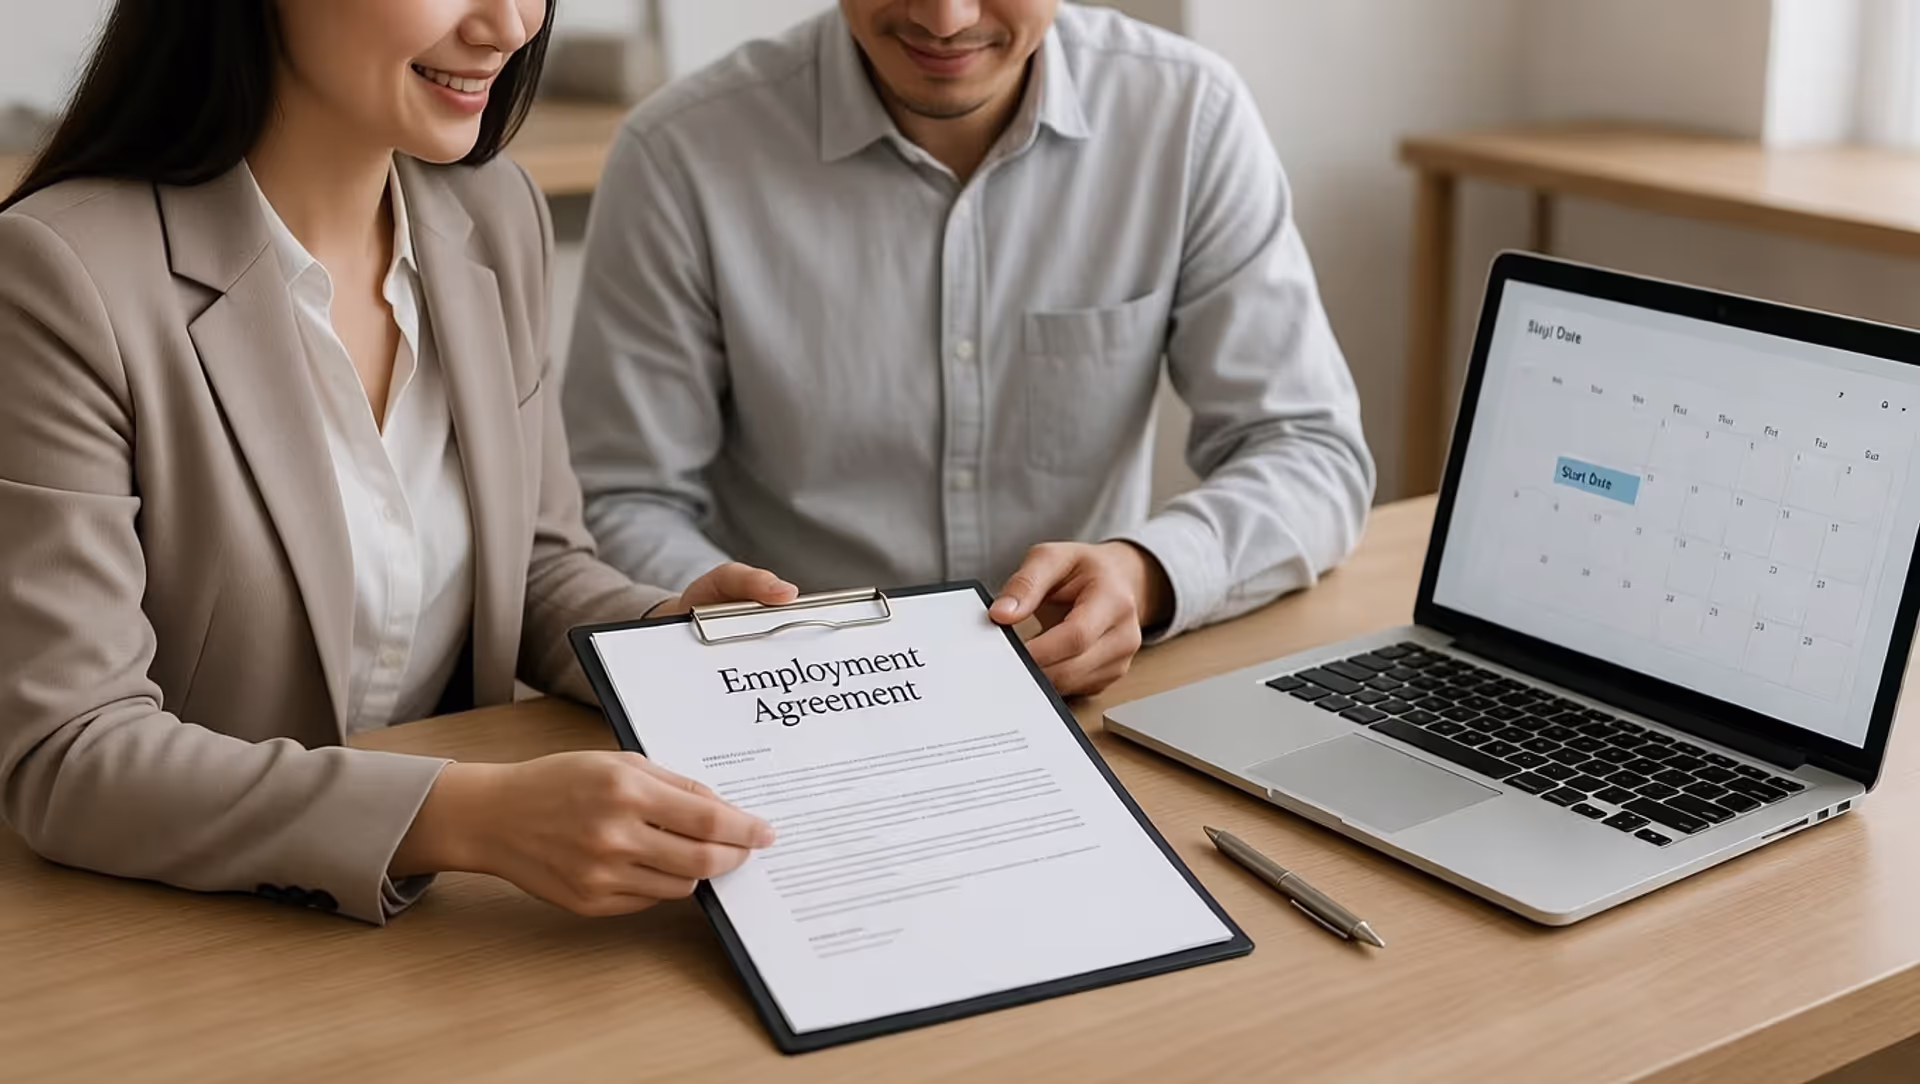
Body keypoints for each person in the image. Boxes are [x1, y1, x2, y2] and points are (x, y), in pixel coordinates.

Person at [0, 0, 797, 925]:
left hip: (444, 940)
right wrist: (469, 816)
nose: (509, 26)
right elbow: (71, 751)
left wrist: (667, 635)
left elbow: (535, 562)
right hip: (181, 939)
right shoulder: (60, 277)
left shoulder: (494, 214)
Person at [563, 0, 1376, 698]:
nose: (944, 20)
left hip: (1090, 700)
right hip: (788, 698)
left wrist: (1147, 571)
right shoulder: (680, 154)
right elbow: (620, 499)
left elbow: (1307, 449)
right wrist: (759, 640)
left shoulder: (1186, 116)